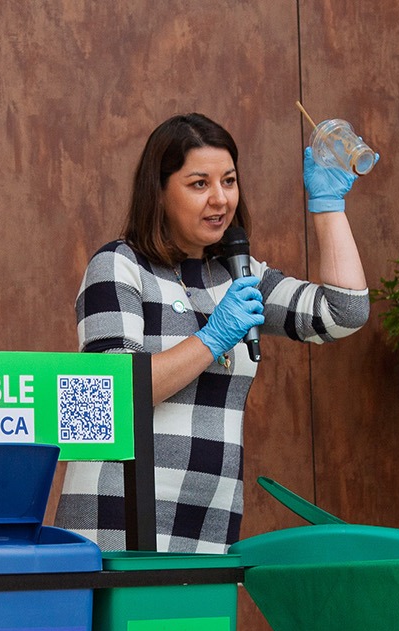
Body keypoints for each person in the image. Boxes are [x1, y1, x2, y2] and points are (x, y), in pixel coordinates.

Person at [57, 112, 369, 552]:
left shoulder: (239, 275)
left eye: (229, 181)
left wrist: (328, 207)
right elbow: (106, 396)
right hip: (119, 516)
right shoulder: (118, 265)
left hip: (208, 520)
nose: (220, 199)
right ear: (160, 191)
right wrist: (210, 339)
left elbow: (344, 311)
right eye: (199, 184)